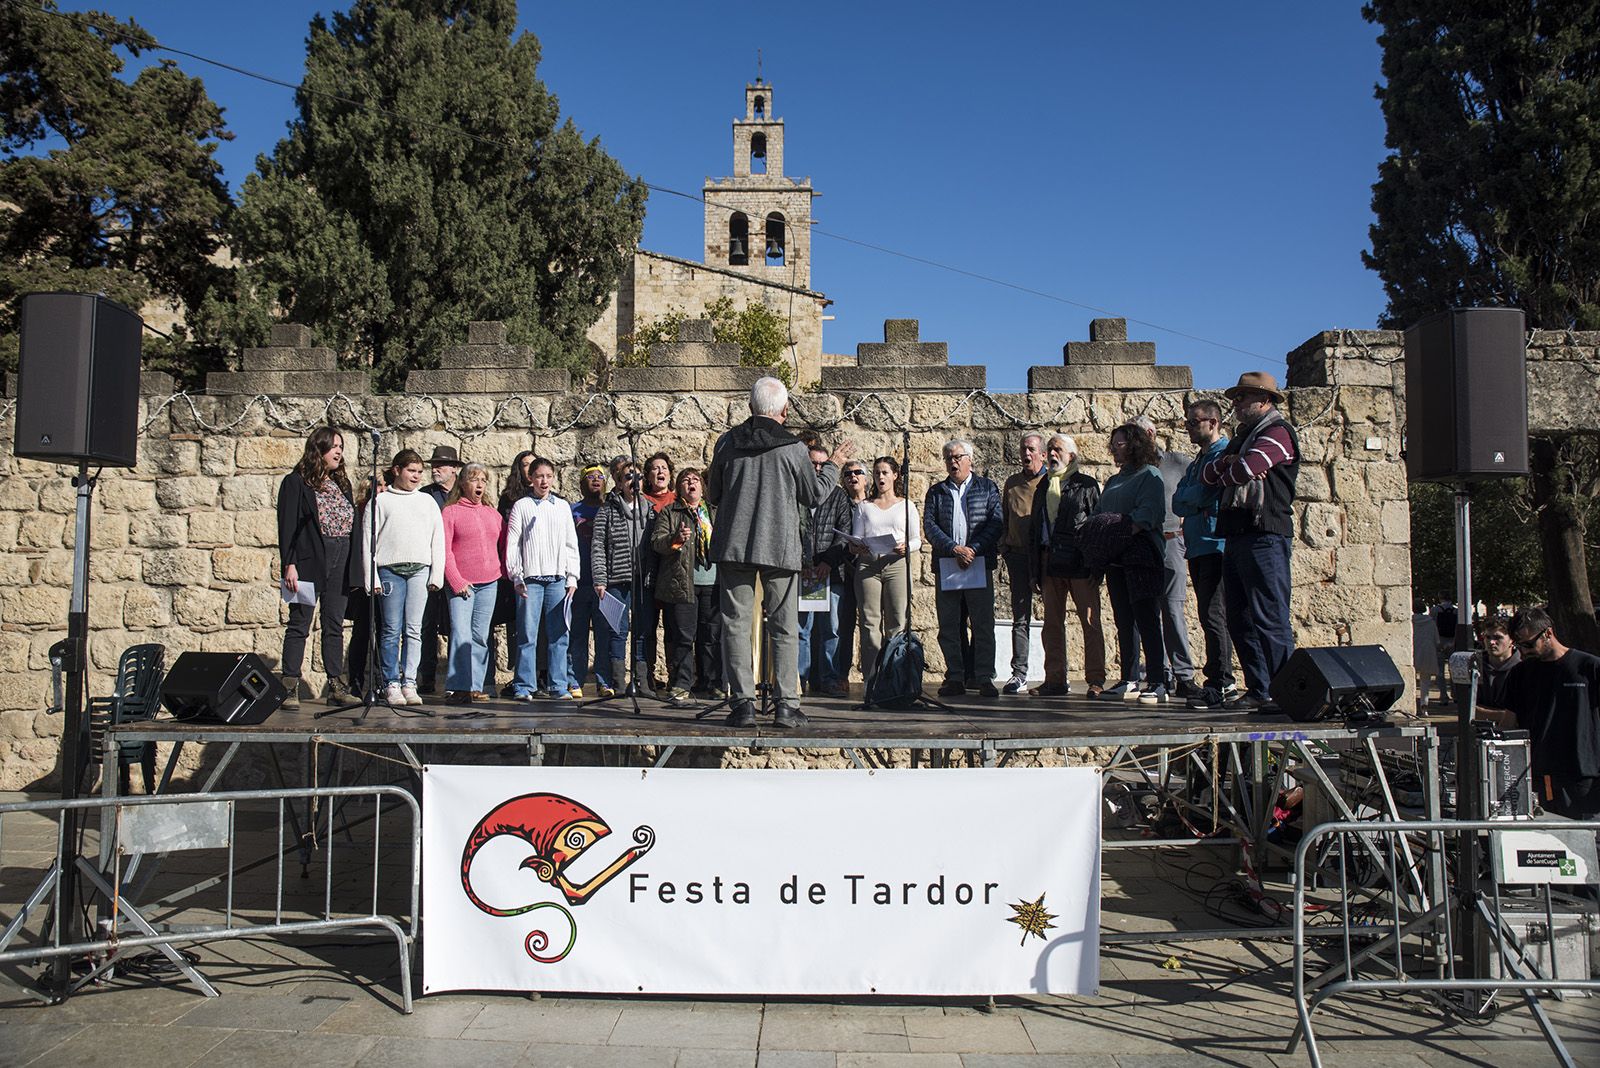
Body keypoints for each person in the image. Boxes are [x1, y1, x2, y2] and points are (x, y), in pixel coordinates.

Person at [706, 376, 851, 728]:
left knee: (736, 626)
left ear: (750, 408)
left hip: (735, 545)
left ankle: (742, 705)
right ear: (784, 411)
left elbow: (713, 494)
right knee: (785, 628)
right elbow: (814, 494)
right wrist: (833, 465)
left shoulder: (727, 443)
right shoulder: (793, 449)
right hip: (780, 546)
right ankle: (786, 705)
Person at [1200, 371, 1300, 714]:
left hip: (1265, 534)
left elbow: (1246, 470)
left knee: (1270, 616)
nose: (1237, 403)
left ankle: (1286, 692)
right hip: (1238, 534)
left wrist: (1232, 466)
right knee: (1238, 617)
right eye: (1236, 397)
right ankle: (1260, 688)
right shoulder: (1241, 438)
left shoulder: (1277, 432)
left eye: (1243, 397)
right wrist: (1231, 463)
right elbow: (1208, 475)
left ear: (1264, 400)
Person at [1489, 608, 1600, 818]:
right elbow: (1509, 722)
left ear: (1548, 633)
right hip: (1538, 773)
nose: (1524, 650)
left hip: (1584, 775)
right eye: (1519, 644)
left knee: (1587, 842)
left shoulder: (1589, 668)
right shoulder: (1520, 673)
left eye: (1529, 644)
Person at [1090, 424, 1169, 704]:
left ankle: (1157, 680)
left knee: (1147, 619)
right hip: (1116, 559)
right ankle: (1129, 678)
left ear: (1135, 445)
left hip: (1142, 557)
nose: (1114, 448)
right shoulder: (1113, 481)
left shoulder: (1150, 476)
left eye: (1120, 444)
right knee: (1124, 620)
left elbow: (1147, 515)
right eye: (1113, 444)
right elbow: (1099, 514)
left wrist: (1117, 530)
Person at [277, 427, 355, 709]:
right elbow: (288, 527)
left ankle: (336, 684)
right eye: (333, 446)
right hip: (308, 561)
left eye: (341, 447)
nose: (338, 452)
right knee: (300, 623)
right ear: (318, 449)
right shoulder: (296, 483)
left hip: (341, 556)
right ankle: (289, 685)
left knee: (334, 623)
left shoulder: (340, 485)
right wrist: (290, 563)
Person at [363, 448, 445, 706]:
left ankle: (410, 681)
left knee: (414, 630)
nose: (416, 476)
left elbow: (437, 539)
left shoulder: (427, 501)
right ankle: (391, 683)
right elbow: (368, 541)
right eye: (411, 471)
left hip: (419, 570)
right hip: (390, 570)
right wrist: (371, 577)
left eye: (420, 472)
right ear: (397, 470)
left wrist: (437, 573)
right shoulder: (381, 502)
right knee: (390, 630)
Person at [923, 438, 1003, 698]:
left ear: (970, 459)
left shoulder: (987, 488)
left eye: (957, 457)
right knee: (949, 625)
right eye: (948, 458)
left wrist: (973, 549)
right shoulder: (936, 492)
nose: (953, 462)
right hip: (948, 564)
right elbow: (930, 527)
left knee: (982, 624)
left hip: (978, 563)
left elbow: (995, 522)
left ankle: (983, 677)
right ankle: (955, 675)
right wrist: (954, 549)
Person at [1171, 400, 1236, 709]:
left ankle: (1222, 680)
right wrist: (1193, 498)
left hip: (1215, 543)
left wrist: (1193, 498)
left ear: (1213, 422)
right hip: (1197, 546)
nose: (1189, 428)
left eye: (1193, 423)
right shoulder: (1198, 461)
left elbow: (1204, 493)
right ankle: (1220, 677)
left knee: (1215, 614)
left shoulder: (1223, 455)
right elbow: (1178, 501)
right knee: (1208, 614)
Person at [1028, 434, 1104, 698]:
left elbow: (1097, 526)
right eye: (1049, 449)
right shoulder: (1043, 487)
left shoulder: (1086, 485)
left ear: (1071, 455)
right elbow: (1036, 530)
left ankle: (1095, 680)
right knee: (1051, 623)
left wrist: (1096, 565)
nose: (1052, 454)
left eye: (1057, 449)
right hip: (1050, 561)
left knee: (1090, 621)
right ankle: (1055, 679)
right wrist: (1035, 569)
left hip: (1080, 561)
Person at [1131, 415, 1199, 700]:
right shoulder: (1133, 469)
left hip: (1171, 542)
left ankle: (1185, 675)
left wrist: (1188, 521)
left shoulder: (1179, 462)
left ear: (1150, 433)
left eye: (1137, 435)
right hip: (1144, 545)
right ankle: (1161, 674)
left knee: (1172, 610)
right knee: (1148, 614)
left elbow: (1202, 489)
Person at [504, 457, 579, 701]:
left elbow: (571, 544)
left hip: (557, 579)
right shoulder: (522, 506)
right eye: (539, 476)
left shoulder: (562, 506)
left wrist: (572, 577)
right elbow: (513, 543)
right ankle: (524, 685)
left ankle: (558, 685)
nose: (544, 481)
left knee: (559, 634)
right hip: (531, 580)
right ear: (531, 479)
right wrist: (516, 575)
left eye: (548, 476)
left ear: (553, 478)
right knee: (527, 634)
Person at [651, 467, 723, 708]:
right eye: (685, 480)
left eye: (695, 480)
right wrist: (675, 539)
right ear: (679, 487)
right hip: (682, 584)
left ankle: (710, 682)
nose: (691, 484)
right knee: (683, 636)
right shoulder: (670, 512)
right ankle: (681, 683)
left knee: (711, 636)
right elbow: (657, 543)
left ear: (702, 487)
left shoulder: (713, 512)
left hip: (713, 582)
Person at [852, 456, 920, 692]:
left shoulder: (906, 505)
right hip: (868, 565)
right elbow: (856, 538)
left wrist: (906, 547)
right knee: (870, 623)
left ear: (895, 476)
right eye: (877, 473)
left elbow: (917, 540)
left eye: (885, 472)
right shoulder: (864, 506)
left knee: (896, 622)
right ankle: (872, 681)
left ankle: (896, 679)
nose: (880, 477)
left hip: (896, 563)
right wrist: (857, 546)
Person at [441, 462, 503, 703]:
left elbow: (506, 540)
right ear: (463, 483)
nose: (479, 485)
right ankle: (459, 686)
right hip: (462, 584)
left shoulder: (491, 512)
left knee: (479, 635)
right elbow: (444, 550)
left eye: (483, 480)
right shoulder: (451, 512)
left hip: (490, 582)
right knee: (460, 633)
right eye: (474, 479)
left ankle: (475, 686)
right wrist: (456, 580)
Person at [798, 439, 853, 698]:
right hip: (803, 574)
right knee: (801, 630)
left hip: (831, 574)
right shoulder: (795, 492)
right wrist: (803, 564)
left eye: (823, 464)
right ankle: (800, 679)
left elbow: (844, 534)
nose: (818, 469)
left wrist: (827, 562)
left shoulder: (839, 495)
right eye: (813, 464)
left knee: (831, 629)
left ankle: (829, 678)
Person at [591, 456, 646, 699]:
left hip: (643, 580)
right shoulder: (608, 511)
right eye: (628, 477)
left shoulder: (649, 509)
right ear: (619, 483)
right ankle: (618, 682)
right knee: (617, 630)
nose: (635, 481)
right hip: (616, 580)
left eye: (639, 476)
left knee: (642, 630)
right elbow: (598, 547)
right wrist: (600, 579)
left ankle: (642, 680)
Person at [999, 433, 1045, 694]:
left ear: (1041, 453)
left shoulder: (1050, 482)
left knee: (1053, 616)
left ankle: (1056, 673)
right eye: (1023, 450)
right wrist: (1005, 545)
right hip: (1017, 556)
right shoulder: (1013, 483)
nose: (1026, 454)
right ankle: (1019, 674)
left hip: (1045, 556)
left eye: (1031, 449)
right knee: (1020, 617)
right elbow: (1005, 516)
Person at [485, 451, 533, 697]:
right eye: (525, 464)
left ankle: (526, 679)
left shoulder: (547, 499)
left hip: (536, 570)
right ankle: (490, 681)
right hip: (511, 570)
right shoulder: (509, 498)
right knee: (507, 625)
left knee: (527, 629)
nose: (529, 469)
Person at [416, 445, 463, 695]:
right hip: (431, 566)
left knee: (458, 623)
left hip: (458, 567)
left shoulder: (463, 494)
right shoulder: (425, 495)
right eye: (434, 465)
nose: (436, 469)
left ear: (454, 469)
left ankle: (457, 680)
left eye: (441, 465)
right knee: (427, 623)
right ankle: (427, 676)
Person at [638, 451, 678, 693]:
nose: (660, 472)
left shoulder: (677, 500)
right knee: (646, 628)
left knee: (674, 629)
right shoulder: (640, 501)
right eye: (654, 468)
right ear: (648, 476)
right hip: (648, 574)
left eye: (664, 468)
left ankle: (675, 678)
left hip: (673, 574)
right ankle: (646, 678)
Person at [567, 463, 608, 699]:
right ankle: (575, 680)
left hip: (601, 582)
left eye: (600, 477)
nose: (595, 480)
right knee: (577, 635)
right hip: (579, 581)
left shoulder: (610, 510)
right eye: (590, 477)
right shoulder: (573, 511)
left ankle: (604, 680)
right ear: (583, 483)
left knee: (604, 633)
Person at [834, 459, 871, 688]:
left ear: (866, 478)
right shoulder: (839, 504)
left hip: (870, 569)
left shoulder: (875, 503)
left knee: (872, 623)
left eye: (858, 472)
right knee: (843, 625)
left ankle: (876, 672)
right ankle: (841, 674)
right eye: (848, 474)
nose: (853, 477)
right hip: (845, 570)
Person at [1474, 614, 1521, 711]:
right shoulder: (1475, 666)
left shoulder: (1523, 667)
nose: (1491, 642)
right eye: (1488, 637)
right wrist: (1504, 715)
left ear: (1512, 639)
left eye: (1497, 637)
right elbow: (1469, 708)